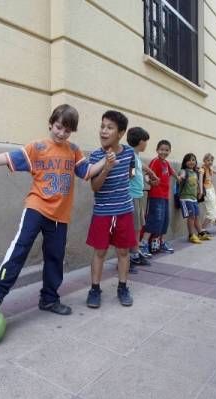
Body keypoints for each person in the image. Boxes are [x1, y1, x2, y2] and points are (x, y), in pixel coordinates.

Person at [0, 104, 109, 316]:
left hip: (60, 216)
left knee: (55, 258)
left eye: (67, 130)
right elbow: (9, 158)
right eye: (58, 127)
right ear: (51, 124)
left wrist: (105, 163)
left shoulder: (73, 151)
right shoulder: (38, 147)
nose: (61, 133)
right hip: (36, 208)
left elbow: (87, 172)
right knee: (19, 250)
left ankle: (49, 299)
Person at [86, 110, 136, 309]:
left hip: (124, 210)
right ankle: (95, 289)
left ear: (121, 133)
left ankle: (122, 287)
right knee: (100, 252)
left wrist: (128, 178)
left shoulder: (130, 153)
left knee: (123, 252)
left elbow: (131, 170)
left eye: (110, 127)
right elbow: (94, 187)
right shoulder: (96, 156)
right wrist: (106, 168)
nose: (104, 131)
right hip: (103, 213)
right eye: (102, 126)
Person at [126, 127, 158, 271]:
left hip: (138, 195)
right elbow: (131, 173)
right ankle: (128, 258)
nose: (146, 144)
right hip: (131, 196)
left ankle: (135, 252)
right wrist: (137, 175)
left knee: (137, 226)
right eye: (145, 141)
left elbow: (141, 165)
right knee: (132, 227)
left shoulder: (136, 155)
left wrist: (150, 173)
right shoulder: (131, 156)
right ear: (140, 141)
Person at [140, 139, 178, 255]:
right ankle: (143, 244)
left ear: (170, 151)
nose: (164, 152)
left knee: (164, 220)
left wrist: (179, 177)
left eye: (166, 150)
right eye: (161, 149)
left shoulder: (166, 163)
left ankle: (159, 243)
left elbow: (172, 172)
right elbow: (147, 174)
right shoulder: (155, 162)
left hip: (164, 197)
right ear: (157, 150)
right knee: (154, 219)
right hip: (156, 196)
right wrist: (149, 182)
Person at [178, 153, 205, 243]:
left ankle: (200, 233)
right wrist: (180, 177)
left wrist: (200, 192)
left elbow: (197, 184)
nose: (191, 162)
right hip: (185, 198)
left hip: (194, 198)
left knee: (197, 216)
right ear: (185, 162)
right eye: (189, 160)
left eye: (193, 160)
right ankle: (191, 235)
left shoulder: (195, 172)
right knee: (191, 216)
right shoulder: (184, 171)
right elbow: (181, 175)